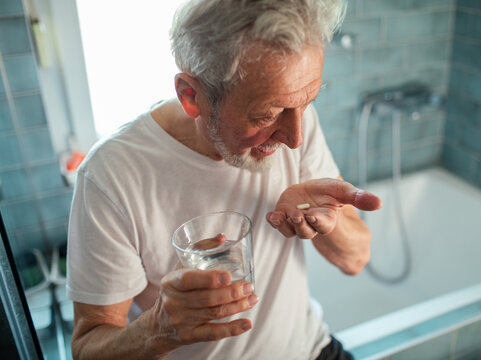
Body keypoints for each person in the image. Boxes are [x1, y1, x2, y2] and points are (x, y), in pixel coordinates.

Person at [67, 0, 382, 359]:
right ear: (191, 96)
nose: (295, 137)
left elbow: (356, 259)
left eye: (308, 101)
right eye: (267, 115)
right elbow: (87, 348)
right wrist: (158, 329)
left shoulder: (296, 120)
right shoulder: (112, 176)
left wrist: (325, 220)